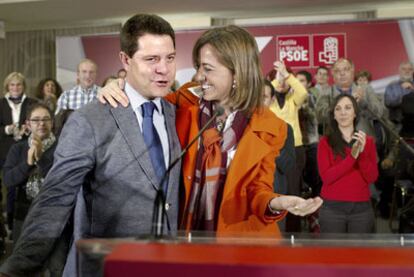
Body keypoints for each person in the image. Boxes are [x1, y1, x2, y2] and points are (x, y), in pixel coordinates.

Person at [0, 14, 182, 277]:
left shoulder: (178, 112)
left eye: (170, 58)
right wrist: (17, 267)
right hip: (108, 267)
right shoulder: (89, 120)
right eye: (151, 59)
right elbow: (55, 198)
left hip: (168, 265)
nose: (163, 69)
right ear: (125, 60)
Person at [100, 25, 322, 236]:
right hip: (185, 234)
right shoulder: (185, 99)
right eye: (198, 66)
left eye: (207, 68)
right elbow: (144, 101)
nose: (198, 76)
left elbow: (257, 189)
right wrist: (119, 88)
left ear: (237, 73)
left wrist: (277, 202)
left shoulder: (273, 127)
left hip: (242, 240)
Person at [318, 94, 378, 233]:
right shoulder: (325, 142)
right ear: (334, 115)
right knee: (333, 254)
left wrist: (361, 154)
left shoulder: (367, 141)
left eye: (347, 108)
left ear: (355, 112)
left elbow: (372, 177)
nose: (343, 112)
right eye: (338, 109)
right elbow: (327, 177)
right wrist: (352, 157)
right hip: (332, 209)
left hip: (361, 210)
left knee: (359, 254)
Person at [2, 103, 56, 242]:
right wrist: (28, 163)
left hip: (54, 213)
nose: (41, 124)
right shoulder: (18, 148)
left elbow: (61, 180)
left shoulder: (61, 147)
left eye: (46, 119)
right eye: (36, 120)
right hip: (24, 213)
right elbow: (8, 180)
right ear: (28, 124)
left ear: (52, 122)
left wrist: (40, 158)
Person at [268, 62, 308, 233]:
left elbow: (303, 92)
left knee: (292, 191)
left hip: (294, 150)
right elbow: (265, 91)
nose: (282, 82)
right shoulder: (268, 101)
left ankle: (294, 232)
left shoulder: (293, 100)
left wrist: (287, 75)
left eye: (285, 79)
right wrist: (277, 79)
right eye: (279, 79)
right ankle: (274, 229)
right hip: (271, 150)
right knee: (275, 189)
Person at [0, 72, 38, 235]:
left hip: (25, 150)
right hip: (5, 151)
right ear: (7, 87)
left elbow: (38, 121)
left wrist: (29, 128)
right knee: (10, 187)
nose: (15, 88)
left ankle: (24, 223)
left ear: (24, 86)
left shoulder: (32, 103)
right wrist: (7, 129)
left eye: (19, 85)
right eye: (12, 85)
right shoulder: (0, 104)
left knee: (24, 187)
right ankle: (9, 222)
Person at [316, 58, 384, 138]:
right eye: (337, 71)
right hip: (336, 142)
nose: (342, 73)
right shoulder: (325, 93)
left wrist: (362, 102)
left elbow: (378, 113)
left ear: (352, 72)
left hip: (363, 140)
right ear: (333, 75)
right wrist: (340, 107)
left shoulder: (365, 89)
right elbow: (320, 118)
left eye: (346, 69)